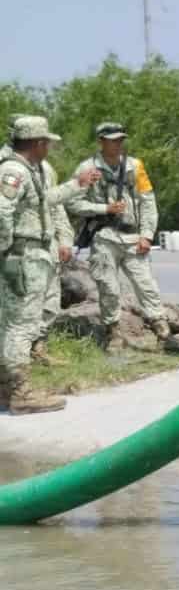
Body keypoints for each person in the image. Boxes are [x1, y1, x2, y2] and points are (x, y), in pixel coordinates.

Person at [0, 116, 99, 413]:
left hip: (28, 255)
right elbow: (2, 211)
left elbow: (43, 201)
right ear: (37, 143)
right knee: (22, 324)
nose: (49, 149)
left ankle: (6, 388)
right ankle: (21, 392)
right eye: (47, 143)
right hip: (23, 256)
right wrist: (5, 250)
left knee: (13, 323)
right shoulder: (14, 171)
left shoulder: (29, 170)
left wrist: (76, 185)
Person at [65, 122, 169, 350]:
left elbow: (148, 201)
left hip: (132, 237)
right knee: (108, 288)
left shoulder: (135, 166)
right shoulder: (87, 168)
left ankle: (163, 332)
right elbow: (72, 203)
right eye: (113, 140)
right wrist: (104, 209)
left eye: (121, 139)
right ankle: (113, 333)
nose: (118, 144)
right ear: (101, 141)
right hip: (103, 237)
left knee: (146, 286)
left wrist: (147, 235)